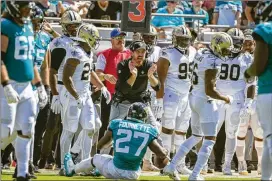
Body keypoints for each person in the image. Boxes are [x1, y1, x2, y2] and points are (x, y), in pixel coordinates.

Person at [163, 32, 234, 180]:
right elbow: (210, 90)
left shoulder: (202, 52)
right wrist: (226, 98)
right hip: (205, 100)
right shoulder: (213, 61)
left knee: (195, 136)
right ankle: (194, 175)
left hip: (194, 97)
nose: (227, 52)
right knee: (209, 139)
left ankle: (171, 166)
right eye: (225, 49)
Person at [1, 1, 48, 180]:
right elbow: (1, 60)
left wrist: (39, 86)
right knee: (5, 130)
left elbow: (29, 61)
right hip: (9, 84)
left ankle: (22, 172)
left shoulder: (28, 25)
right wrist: (6, 85)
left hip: (27, 85)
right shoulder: (5, 25)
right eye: (25, 9)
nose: (28, 13)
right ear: (14, 8)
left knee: (27, 128)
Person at [64, 102, 169, 179]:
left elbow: (100, 145)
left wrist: (114, 140)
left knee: (95, 158)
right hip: (134, 174)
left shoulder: (117, 123)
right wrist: (165, 152)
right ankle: (98, 170)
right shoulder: (149, 130)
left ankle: (72, 169)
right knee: (111, 159)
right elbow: (160, 154)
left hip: (114, 169)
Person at [61, 23, 111, 174]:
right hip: (72, 94)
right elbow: (66, 77)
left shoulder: (87, 52)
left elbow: (89, 73)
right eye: (94, 37)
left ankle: (85, 164)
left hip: (85, 94)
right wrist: (75, 96)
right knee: (69, 130)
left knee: (91, 127)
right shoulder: (75, 51)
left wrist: (102, 86)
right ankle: (64, 165)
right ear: (86, 37)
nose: (96, 41)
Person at [39, 10, 82, 174]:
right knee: (52, 125)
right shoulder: (58, 43)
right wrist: (54, 93)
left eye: (75, 26)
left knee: (70, 126)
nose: (73, 29)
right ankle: (43, 158)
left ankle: (60, 160)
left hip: (73, 86)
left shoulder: (77, 41)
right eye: (70, 26)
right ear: (65, 27)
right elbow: (52, 68)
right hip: (58, 86)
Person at [154, 25, 196, 175]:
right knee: (167, 129)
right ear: (174, 38)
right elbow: (160, 79)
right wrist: (159, 100)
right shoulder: (167, 52)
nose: (184, 42)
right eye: (181, 39)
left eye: (186, 39)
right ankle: (165, 163)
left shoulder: (193, 51)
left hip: (186, 95)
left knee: (181, 132)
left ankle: (179, 164)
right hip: (171, 94)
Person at [214, 28, 254, 176]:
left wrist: (249, 101)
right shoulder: (217, 55)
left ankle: (227, 165)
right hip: (217, 97)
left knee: (232, 133)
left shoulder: (248, 58)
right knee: (212, 131)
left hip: (236, 99)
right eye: (234, 41)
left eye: (239, 42)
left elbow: (251, 83)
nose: (236, 45)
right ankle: (205, 163)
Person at [110, 41, 160, 129]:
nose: (140, 55)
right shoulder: (123, 65)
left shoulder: (149, 65)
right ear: (132, 53)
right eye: (138, 52)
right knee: (112, 129)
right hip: (123, 101)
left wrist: (151, 76)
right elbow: (124, 90)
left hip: (141, 101)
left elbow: (157, 87)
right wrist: (133, 76)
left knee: (154, 128)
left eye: (143, 52)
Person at [244, 21, 272, 180]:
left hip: (269, 90)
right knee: (268, 140)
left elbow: (258, 67)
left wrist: (248, 73)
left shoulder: (266, 29)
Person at [95, 28, 131, 143]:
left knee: (127, 128)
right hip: (110, 96)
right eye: (118, 38)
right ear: (112, 40)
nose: (121, 40)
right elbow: (97, 75)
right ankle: (101, 154)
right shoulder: (104, 54)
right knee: (106, 126)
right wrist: (106, 76)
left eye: (122, 37)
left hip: (128, 97)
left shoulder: (131, 54)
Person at [140, 26, 162, 171]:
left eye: (151, 37)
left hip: (153, 92)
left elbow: (162, 74)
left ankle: (147, 161)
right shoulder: (138, 49)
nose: (149, 39)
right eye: (147, 36)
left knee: (154, 128)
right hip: (139, 91)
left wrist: (160, 97)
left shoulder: (160, 51)